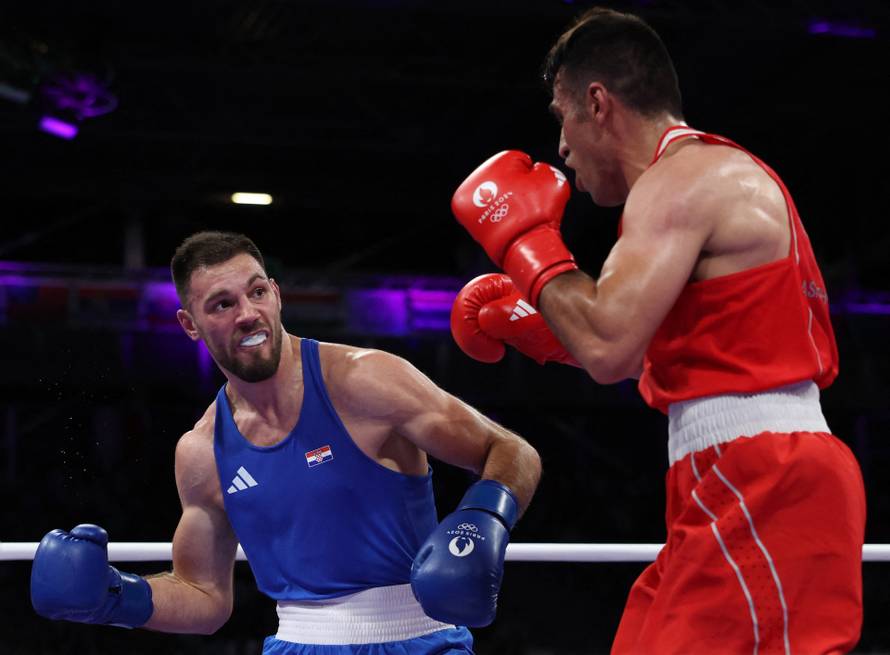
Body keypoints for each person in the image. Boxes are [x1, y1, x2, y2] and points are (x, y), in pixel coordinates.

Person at [448, 6, 866, 654]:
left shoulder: (683, 181)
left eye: (562, 118)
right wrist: (549, 330)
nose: (560, 146)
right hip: (727, 473)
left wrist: (525, 243)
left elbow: (609, 345)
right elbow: (651, 350)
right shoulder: (689, 185)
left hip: (765, 475)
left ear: (598, 103)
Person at [30, 230, 542, 654]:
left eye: (256, 292)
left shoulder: (366, 381)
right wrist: (114, 596)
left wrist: (483, 518)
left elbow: (512, 452)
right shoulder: (202, 450)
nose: (247, 313)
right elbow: (204, 596)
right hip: (296, 643)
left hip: (419, 638)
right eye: (222, 304)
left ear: (276, 294)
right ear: (189, 324)